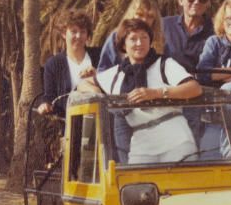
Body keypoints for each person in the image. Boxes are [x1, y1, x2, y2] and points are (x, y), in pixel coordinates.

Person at [85, 18, 203, 164]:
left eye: (144, 38)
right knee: (135, 186)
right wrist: (99, 95)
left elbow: (194, 88)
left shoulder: (164, 64)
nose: (140, 43)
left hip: (176, 140)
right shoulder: (116, 74)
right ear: (123, 44)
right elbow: (84, 84)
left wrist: (157, 93)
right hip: (141, 144)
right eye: (133, 39)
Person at [37, 11, 100, 117]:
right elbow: (49, 96)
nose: (78, 36)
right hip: (70, 124)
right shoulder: (53, 64)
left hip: (100, 119)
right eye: (74, 31)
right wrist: (44, 105)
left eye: (83, 32)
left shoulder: (99, 56)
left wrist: (96, 76)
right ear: (63, 33)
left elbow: (111, 84)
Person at [97, 0, 165, 72]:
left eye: (150, 16)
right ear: (132, 15)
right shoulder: (116, 38)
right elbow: (103, 70)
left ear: (155, 20)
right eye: (140, 15)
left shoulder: (160, 40)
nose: (144, 20)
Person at [162, 0, 214, 74]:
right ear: (180, 0)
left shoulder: (215, 31)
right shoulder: (164, 25)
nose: (196, 2)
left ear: (208, 3)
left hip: (201, 86)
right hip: (164, 83)